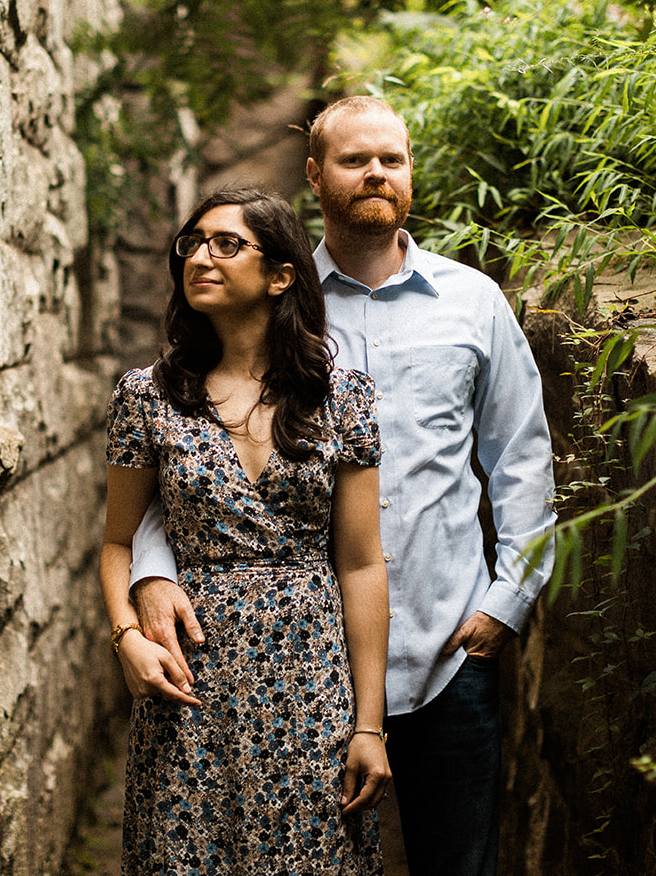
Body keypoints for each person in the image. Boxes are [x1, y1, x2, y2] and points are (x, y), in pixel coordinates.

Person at [130, 97, 558, 876]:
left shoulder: (471, 302)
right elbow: (185, 463)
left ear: (409, 172)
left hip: (449, 645)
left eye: (391, 159)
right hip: (300, 666)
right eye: (356, 159)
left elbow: (521, 455)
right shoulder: (270, 302)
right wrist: (152, 571)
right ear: (314, 173)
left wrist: (509, 599)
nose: (376, 174)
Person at [100, 187, 392, 875]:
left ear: (281, 273)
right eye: (193, 243)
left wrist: (369, 724)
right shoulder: (147, 395)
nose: (201, 255)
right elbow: (117, 541)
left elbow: (361, 563)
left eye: (226, 243)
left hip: (310, 681)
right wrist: (126, 637)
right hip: (191, 683)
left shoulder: (342, 394)